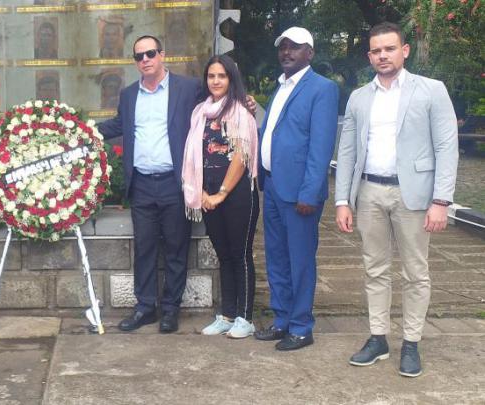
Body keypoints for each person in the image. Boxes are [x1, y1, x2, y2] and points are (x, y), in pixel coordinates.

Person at [334, 22, 458, 377]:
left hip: (413, 193)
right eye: (376, 51)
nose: (383, 56)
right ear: (369, 56)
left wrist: (441, 201)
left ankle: (412, 342)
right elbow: (347, 151)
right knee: (374, 268)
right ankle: (378, 338)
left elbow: (446, 147)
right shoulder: (359, 97)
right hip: (369, 191)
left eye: (389, 48)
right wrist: (342, 200)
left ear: (405, 50)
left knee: (415, 271)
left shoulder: (431, 90)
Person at [96, 35, 202, 333]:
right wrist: (78, 130)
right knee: (144, 249)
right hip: (141, 184)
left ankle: (170, 310)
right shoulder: (129, 95)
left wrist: (244, 102)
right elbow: (118, 125)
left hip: (174, 183)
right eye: (139, 56)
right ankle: (145, 308)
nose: (145, 60)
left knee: (176, 249)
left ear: (162, 55)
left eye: (150, 53)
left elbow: (217, 101)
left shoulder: (188, 88)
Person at [255, 27, 338, 351]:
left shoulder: (322, 88)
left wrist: (310, 193)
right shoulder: (281, 87)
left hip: (300, 193)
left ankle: (302, 327)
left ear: (310, 53)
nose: (287, 52)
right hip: (274, 186)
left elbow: (321, 146)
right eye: (283, 47)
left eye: (295, 47)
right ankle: (282, 320)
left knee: (300, 261)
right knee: (276, 257)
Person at [182, 55, 260, 339]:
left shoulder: (240, 112)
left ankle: (245, 318)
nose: (216, 81)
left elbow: (241, 157)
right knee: (224, 255)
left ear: (231, 79)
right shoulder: (200, 113)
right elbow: (195, 156)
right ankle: (227, 316)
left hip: (237, 194)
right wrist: (202, 192)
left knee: (240, 255)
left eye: (222, 76)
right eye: (211, 76)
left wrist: (221, 194)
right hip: (207, 194)